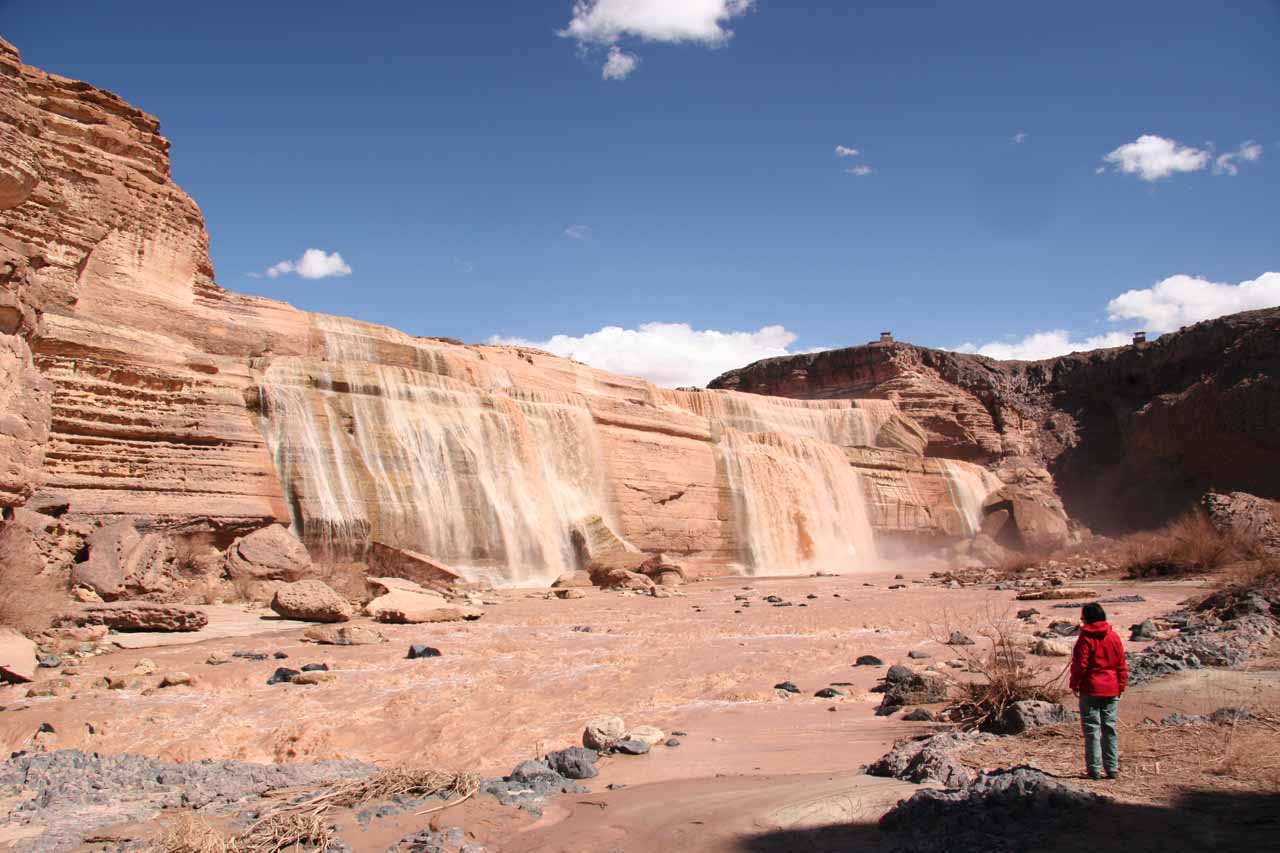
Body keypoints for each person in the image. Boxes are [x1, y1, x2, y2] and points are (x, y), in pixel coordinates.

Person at [1069, 602, 1128, 780]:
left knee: (1092, 730)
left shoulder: (1085, 638)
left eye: (1083, 618)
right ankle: (1112, 768)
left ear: (1087, 619)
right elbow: (1121, 664)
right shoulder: (1114, 637)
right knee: (1110, 729)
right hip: (1111, 688)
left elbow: (1081, 665)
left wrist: (1075, 684)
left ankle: (1094, 769)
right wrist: (1121, 685)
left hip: (1091, 689)